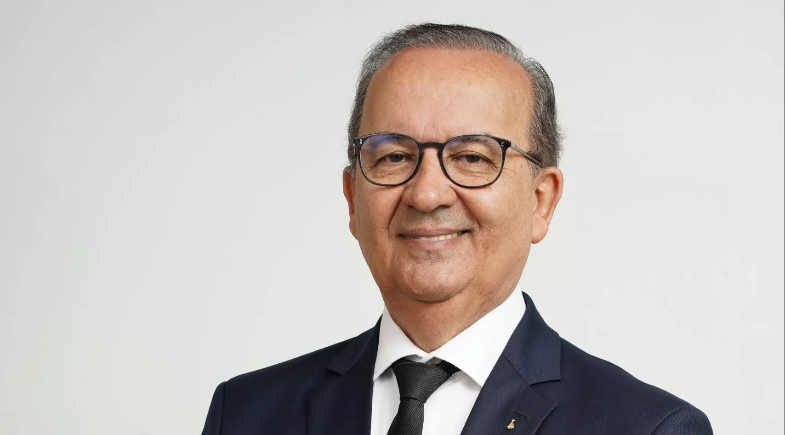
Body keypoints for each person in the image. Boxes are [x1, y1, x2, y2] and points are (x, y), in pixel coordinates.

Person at [201, 23, 712, 435]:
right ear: (353, 197)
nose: (427, 194)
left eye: (472, 157)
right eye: (394, 156)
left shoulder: (647, 427)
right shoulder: (244, 414)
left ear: (541, 201)